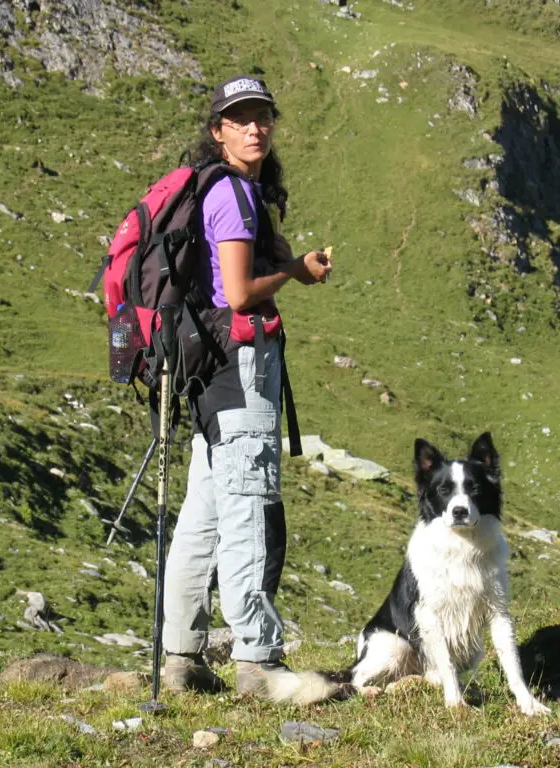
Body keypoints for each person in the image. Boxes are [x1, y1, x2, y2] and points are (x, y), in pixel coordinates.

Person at [161, 75, 333, 697]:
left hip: (207, 372)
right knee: (249, 509)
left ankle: (179, 656)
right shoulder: (231, 194)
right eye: (241, 119)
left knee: (204, 514)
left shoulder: (222, 190)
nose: (255, 127)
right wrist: (294, 269)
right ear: (218, 132)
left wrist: (283, 261)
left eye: (263, 115)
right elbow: (237, 294)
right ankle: (259, 663)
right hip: (240, 367)